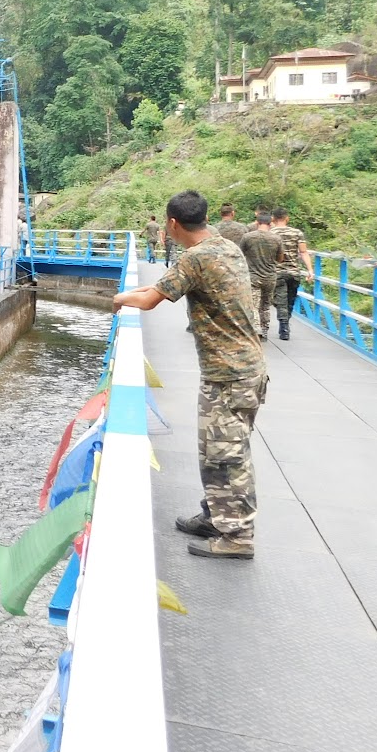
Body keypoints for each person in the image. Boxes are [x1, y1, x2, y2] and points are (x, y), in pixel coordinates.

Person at [113, 190, 266, 559]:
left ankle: (237, 538)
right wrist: (133, 292)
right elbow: (160, 288)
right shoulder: (225, 247)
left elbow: (149, 301)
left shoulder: (195, 259)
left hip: (229, 375)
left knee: (228, 455)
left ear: (172, 224)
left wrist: (118, 299)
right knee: (218, 451)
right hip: (245, 369)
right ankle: (216, 516)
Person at [270, 207, 314, 341]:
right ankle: (285, 323)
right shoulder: (297, 233)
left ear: (273, 219)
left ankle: (283, 326)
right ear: (287, 218)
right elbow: (303, 252)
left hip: (277, 272)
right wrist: (310, 270)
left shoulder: (270, 233)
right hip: (294, 272)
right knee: (290, 300)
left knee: (280, 300)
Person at [240, 213, 281, 340]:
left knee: (254, 305)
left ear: (257, 223)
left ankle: (256, 328)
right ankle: (265, 329)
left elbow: (240, 254)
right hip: (270, 276)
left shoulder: (247, 237)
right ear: (270, 223)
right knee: (266, 305)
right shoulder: (276, 239)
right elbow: (280, 259)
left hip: (253, 276)